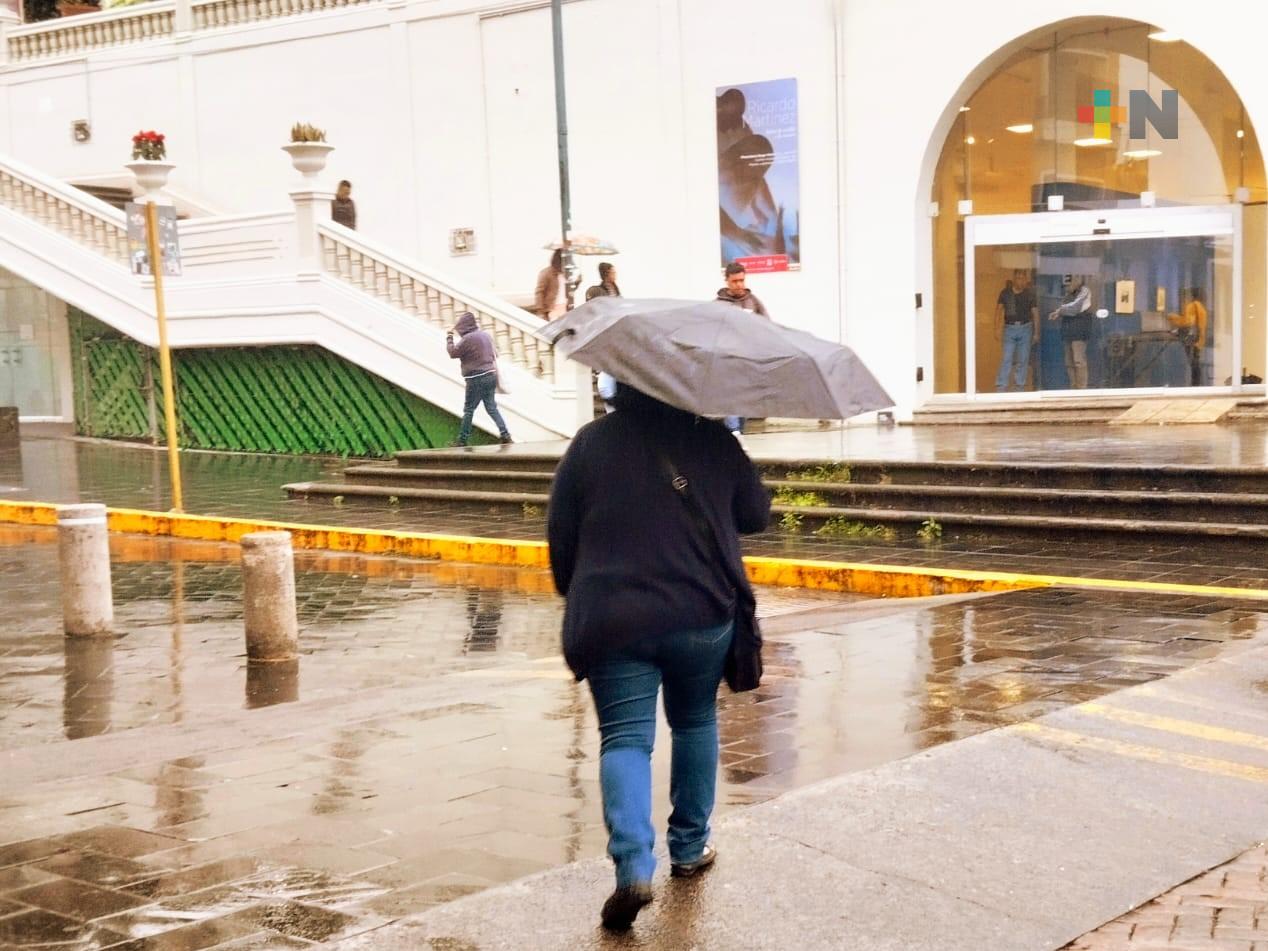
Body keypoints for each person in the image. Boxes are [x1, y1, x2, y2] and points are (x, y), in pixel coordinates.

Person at [547, 382, 770, 931]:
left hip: (613, 616)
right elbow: (755, 514)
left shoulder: (590, 443)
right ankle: (690, 848)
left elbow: (560, 535)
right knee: (695, 722)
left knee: (624, 737)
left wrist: (578, 592)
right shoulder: (714, 440)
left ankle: (633, 864)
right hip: (701, 611)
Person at [717, 262, 769, 434]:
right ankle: (734, 432)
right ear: (727, 281)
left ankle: (740, 432)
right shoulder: (718, 305)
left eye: (742, 280)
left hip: (748, 358)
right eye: (735, 281)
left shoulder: (753, 303)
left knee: (744, 399)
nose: (739, 285)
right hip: (727, 358)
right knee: (730, 396)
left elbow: (768, 327)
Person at [446, 311, 512, 446]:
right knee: (491, 407)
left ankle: (462, 440)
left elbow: (452, 353)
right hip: (490, 375)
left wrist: (449, 336)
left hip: (475, 378)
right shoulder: (485, 335)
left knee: (469, 409)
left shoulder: (467, 339)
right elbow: (496, 354)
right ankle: (505, 435)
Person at [994, 270, 1039, 392]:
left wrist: (1036, 332)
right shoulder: (1005, 293)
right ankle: (1001, 385)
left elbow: (1035, 313)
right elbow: (998, 311)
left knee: (1023, 359)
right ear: (1014, 279)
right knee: (1006, 358)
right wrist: (996, 329)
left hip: (1026, 328)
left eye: (1023, 278)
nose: (1020, 280)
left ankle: (1019, 386)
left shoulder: (1030, 294)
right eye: (1018, 278)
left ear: (1026, 280)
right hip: (1009, 329)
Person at [1049, 276, 1093, 389]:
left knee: (1079, 361)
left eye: (1071, 282)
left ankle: (1082, 389)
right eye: (1067, 284)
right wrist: (1059, 312)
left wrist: (1060, 310)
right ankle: (1073, 388)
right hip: (1068, 332)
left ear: (1078, 280)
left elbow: (1075, 308)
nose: (1068, 286)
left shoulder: (1085, 291)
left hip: (1079, 332)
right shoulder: (1067, 295)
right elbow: (1065, 309)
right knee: (1069, 362)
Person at [1167, 286, 1209, 386]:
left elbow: (1187, 322)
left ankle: (1194, 385)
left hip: (1192, 339)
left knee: (1193, 364)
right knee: (1196, 363)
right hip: (1199, 339)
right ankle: (1196, 384)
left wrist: (1172, 317)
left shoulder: (1192, 306)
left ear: (1192, 295)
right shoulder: (1202, 308)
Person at [535, 250, 566, 319]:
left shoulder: (566, 273)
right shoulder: (546, 273)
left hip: (565, 307)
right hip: (552, 309)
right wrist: (540, 311)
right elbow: (539, 292)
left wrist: (577, 281)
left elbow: (569, 290)